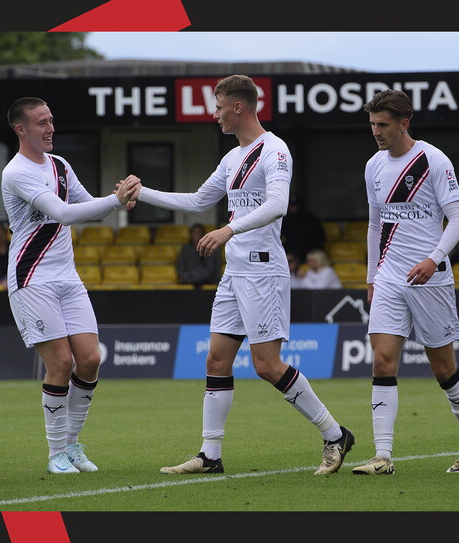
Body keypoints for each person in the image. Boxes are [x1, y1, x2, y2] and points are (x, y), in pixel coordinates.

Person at [130, 74, 354, 476]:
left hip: (263, 271)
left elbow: (278, 204)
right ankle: (210, 455)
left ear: (238, 107)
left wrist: (228, 229)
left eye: (218, 108)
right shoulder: (232, 157)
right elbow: (197, 201)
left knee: (267, 365)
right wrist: (141, 192)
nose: (215, 115)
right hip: (234, 272)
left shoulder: (275, 150)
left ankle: (335, 434)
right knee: (216, 359)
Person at [1, 96, 141, 475]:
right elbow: (63, 213)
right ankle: (56, 454)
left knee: (90, 359)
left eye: (51, 120)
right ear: (21, 129)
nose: (50, 128)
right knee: (61, 363)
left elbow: (88, 207)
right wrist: (113, 201)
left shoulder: (60, 165)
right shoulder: (16, 172)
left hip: (68, 278)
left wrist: (120, 200)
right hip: (32, 279)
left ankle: (73, 445)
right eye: (42, 123)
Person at [353, 89, 459, 475]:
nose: (376, 131)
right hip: (389, 277)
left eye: (383, 124)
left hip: (430, 279)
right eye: (372, 124)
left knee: (443, 368)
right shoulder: (373, 166)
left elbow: (458, 219)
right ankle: (383, 456)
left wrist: (434, 258)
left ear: (404, 123)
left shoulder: (433, 160)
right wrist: (372, 276)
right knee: (382, 360)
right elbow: (375, 224)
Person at [280, 192, 326, 262]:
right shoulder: (283, 220)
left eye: (295, 205)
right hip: (289, 254)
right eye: (290, 205)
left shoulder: (310, 219)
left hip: (308, 253)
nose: (292, 208)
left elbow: (319, 237)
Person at [176, 222, 221, 288]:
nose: (197, 236)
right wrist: (189, 278)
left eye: (199, 233)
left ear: (203, 235)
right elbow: (180, 267)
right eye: (195, 233)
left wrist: (197, 279)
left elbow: (210, 269)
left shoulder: (209, 249)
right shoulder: (185, 250)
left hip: (206, 282)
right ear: (191, 235)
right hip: (188, 282)